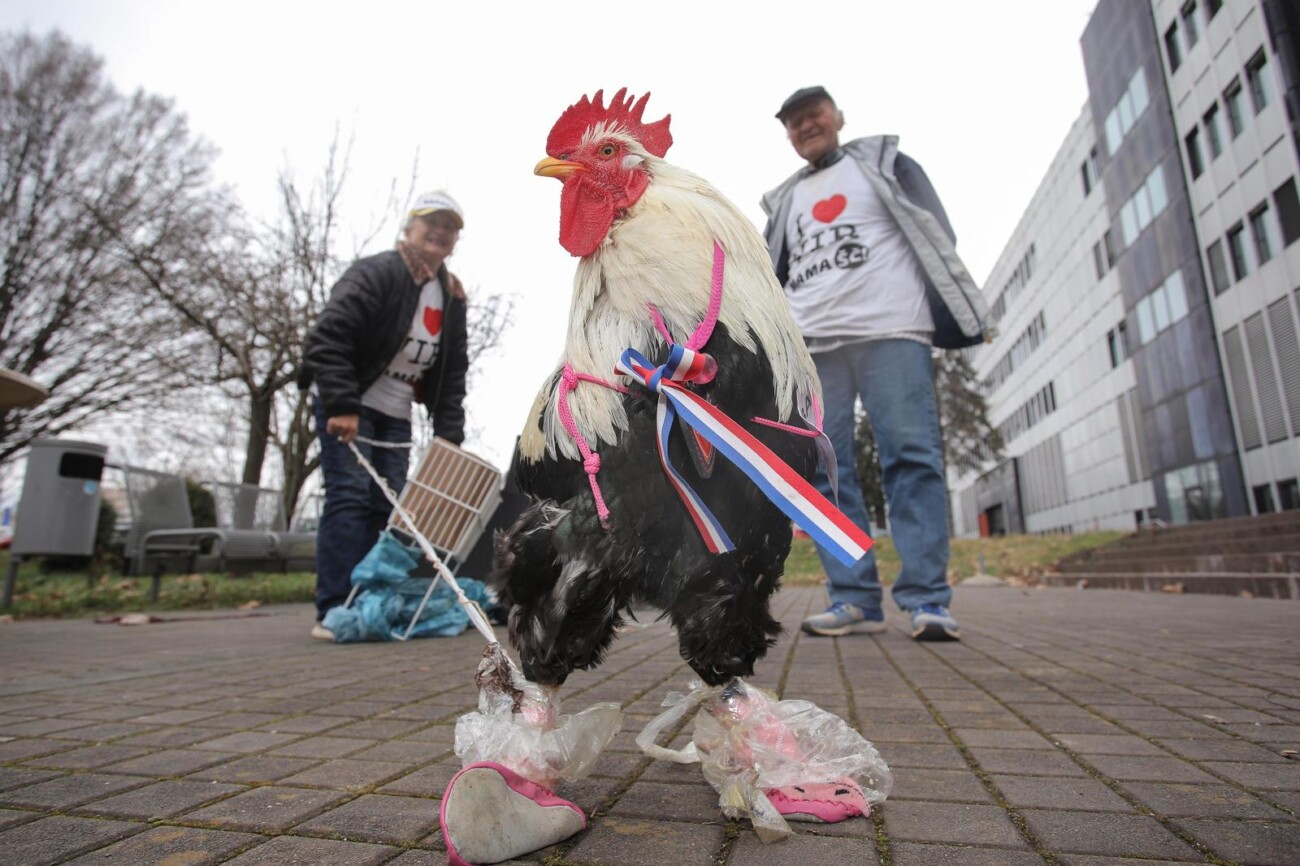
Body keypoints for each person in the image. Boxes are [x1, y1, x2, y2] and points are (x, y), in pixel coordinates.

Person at [760, 86, 992, 641]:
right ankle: (854, 597)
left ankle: (928, 600)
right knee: (825, 473)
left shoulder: (886, 164)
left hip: (891, 329)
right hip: (814, 347)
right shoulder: (785, 199)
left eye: (812, 114)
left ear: (838, 116)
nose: (804, 126)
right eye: (792, 123)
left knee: (911, 456)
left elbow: (935, 230)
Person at [298, 190, 471, 640]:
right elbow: (327, 339)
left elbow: (452, 371)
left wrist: (449, 435)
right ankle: (333, 608)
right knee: (350, 497)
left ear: (455, 241)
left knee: (387, 509)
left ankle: (366, 606)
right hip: (352, 403)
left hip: (395, 412)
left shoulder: (450, 295)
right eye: (430, 223)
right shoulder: (376, 273)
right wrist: (341, 405)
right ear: (408, 229)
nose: (440, 232)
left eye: (449, 227)